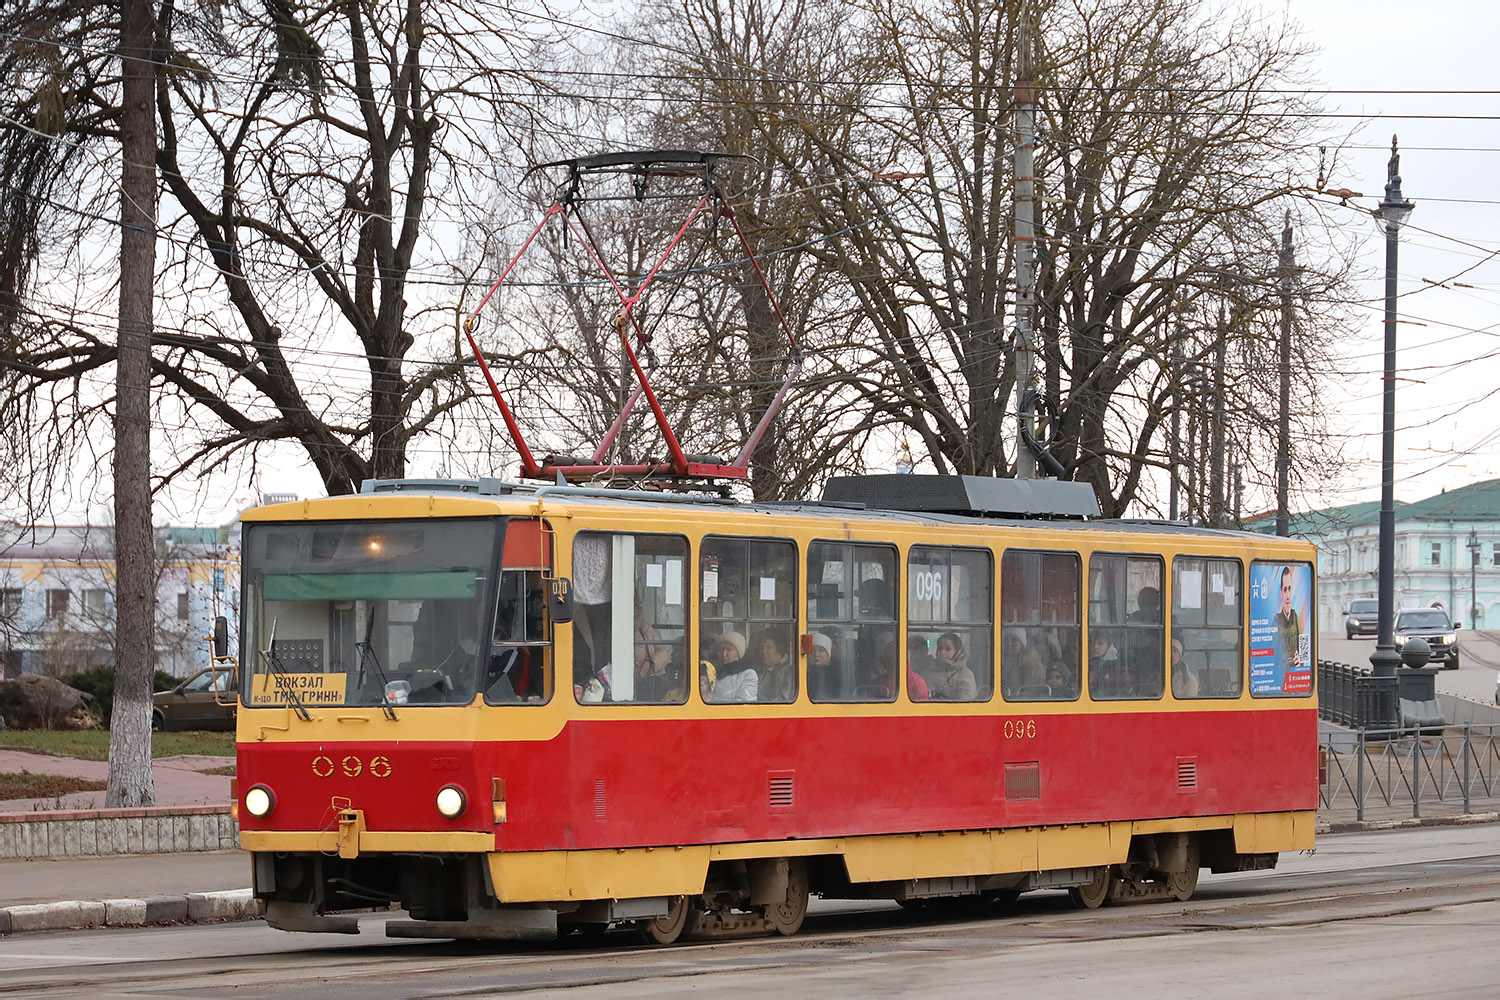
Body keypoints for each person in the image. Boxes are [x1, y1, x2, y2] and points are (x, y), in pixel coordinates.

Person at [708, 631, 758, 702]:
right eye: (721, 650)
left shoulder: (748, 674)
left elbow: (744, 702)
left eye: (729, 650)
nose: (724, 654)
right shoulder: (712, 671)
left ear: (738, 653)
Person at [931, 631, 977, 701]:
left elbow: (965, 702)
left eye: (948, 649)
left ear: (958, 652)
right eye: (940, 648)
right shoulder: (929, 671)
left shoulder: (965, 674)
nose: (943, 652)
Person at [1273, 566, 1303, 668]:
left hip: (1295, 672)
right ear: (1281, 593)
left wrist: (1300, 660)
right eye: (1285, 590)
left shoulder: (1296, 618)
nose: (1288, 596)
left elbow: (1304, 648)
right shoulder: (1275, 622)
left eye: (1289, 589)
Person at [756, 631, 795, 702]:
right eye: (762, 648)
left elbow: (786, 697)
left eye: (768, 648)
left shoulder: (790, 671)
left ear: (779, 650)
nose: (763, 652)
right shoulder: (759, 670)